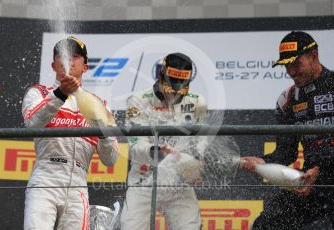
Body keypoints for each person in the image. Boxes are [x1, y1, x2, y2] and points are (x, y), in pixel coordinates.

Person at [22, 36, 119, 229]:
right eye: (62, 56)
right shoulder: (39, 92)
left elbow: (111, 159)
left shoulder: (99, 105)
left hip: (78, 183)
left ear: (85, 67)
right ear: (53, 64)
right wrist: (60, 94)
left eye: (75, 56)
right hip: (46, 177)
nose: (68, 60)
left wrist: (103, 132)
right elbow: (32, 123)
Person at [240, 31, 334, 229]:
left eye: (295, 63)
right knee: (265, 225)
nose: (291, 72)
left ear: (314, 56)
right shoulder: (288, 100)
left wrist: (321, 171)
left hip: (320, 178)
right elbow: (286, 152)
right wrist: (263, 162)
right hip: (310, 184)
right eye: (286, 66)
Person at [120, 53, 207, 230]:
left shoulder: (198, 102)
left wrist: (197, 161)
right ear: (160, 75)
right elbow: (135, 145)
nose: (174, 93)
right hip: (144, 180)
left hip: (179, 183)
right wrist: (158, 152)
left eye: (181, 89)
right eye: (171, 86)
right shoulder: (138, 100)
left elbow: (201, 141)